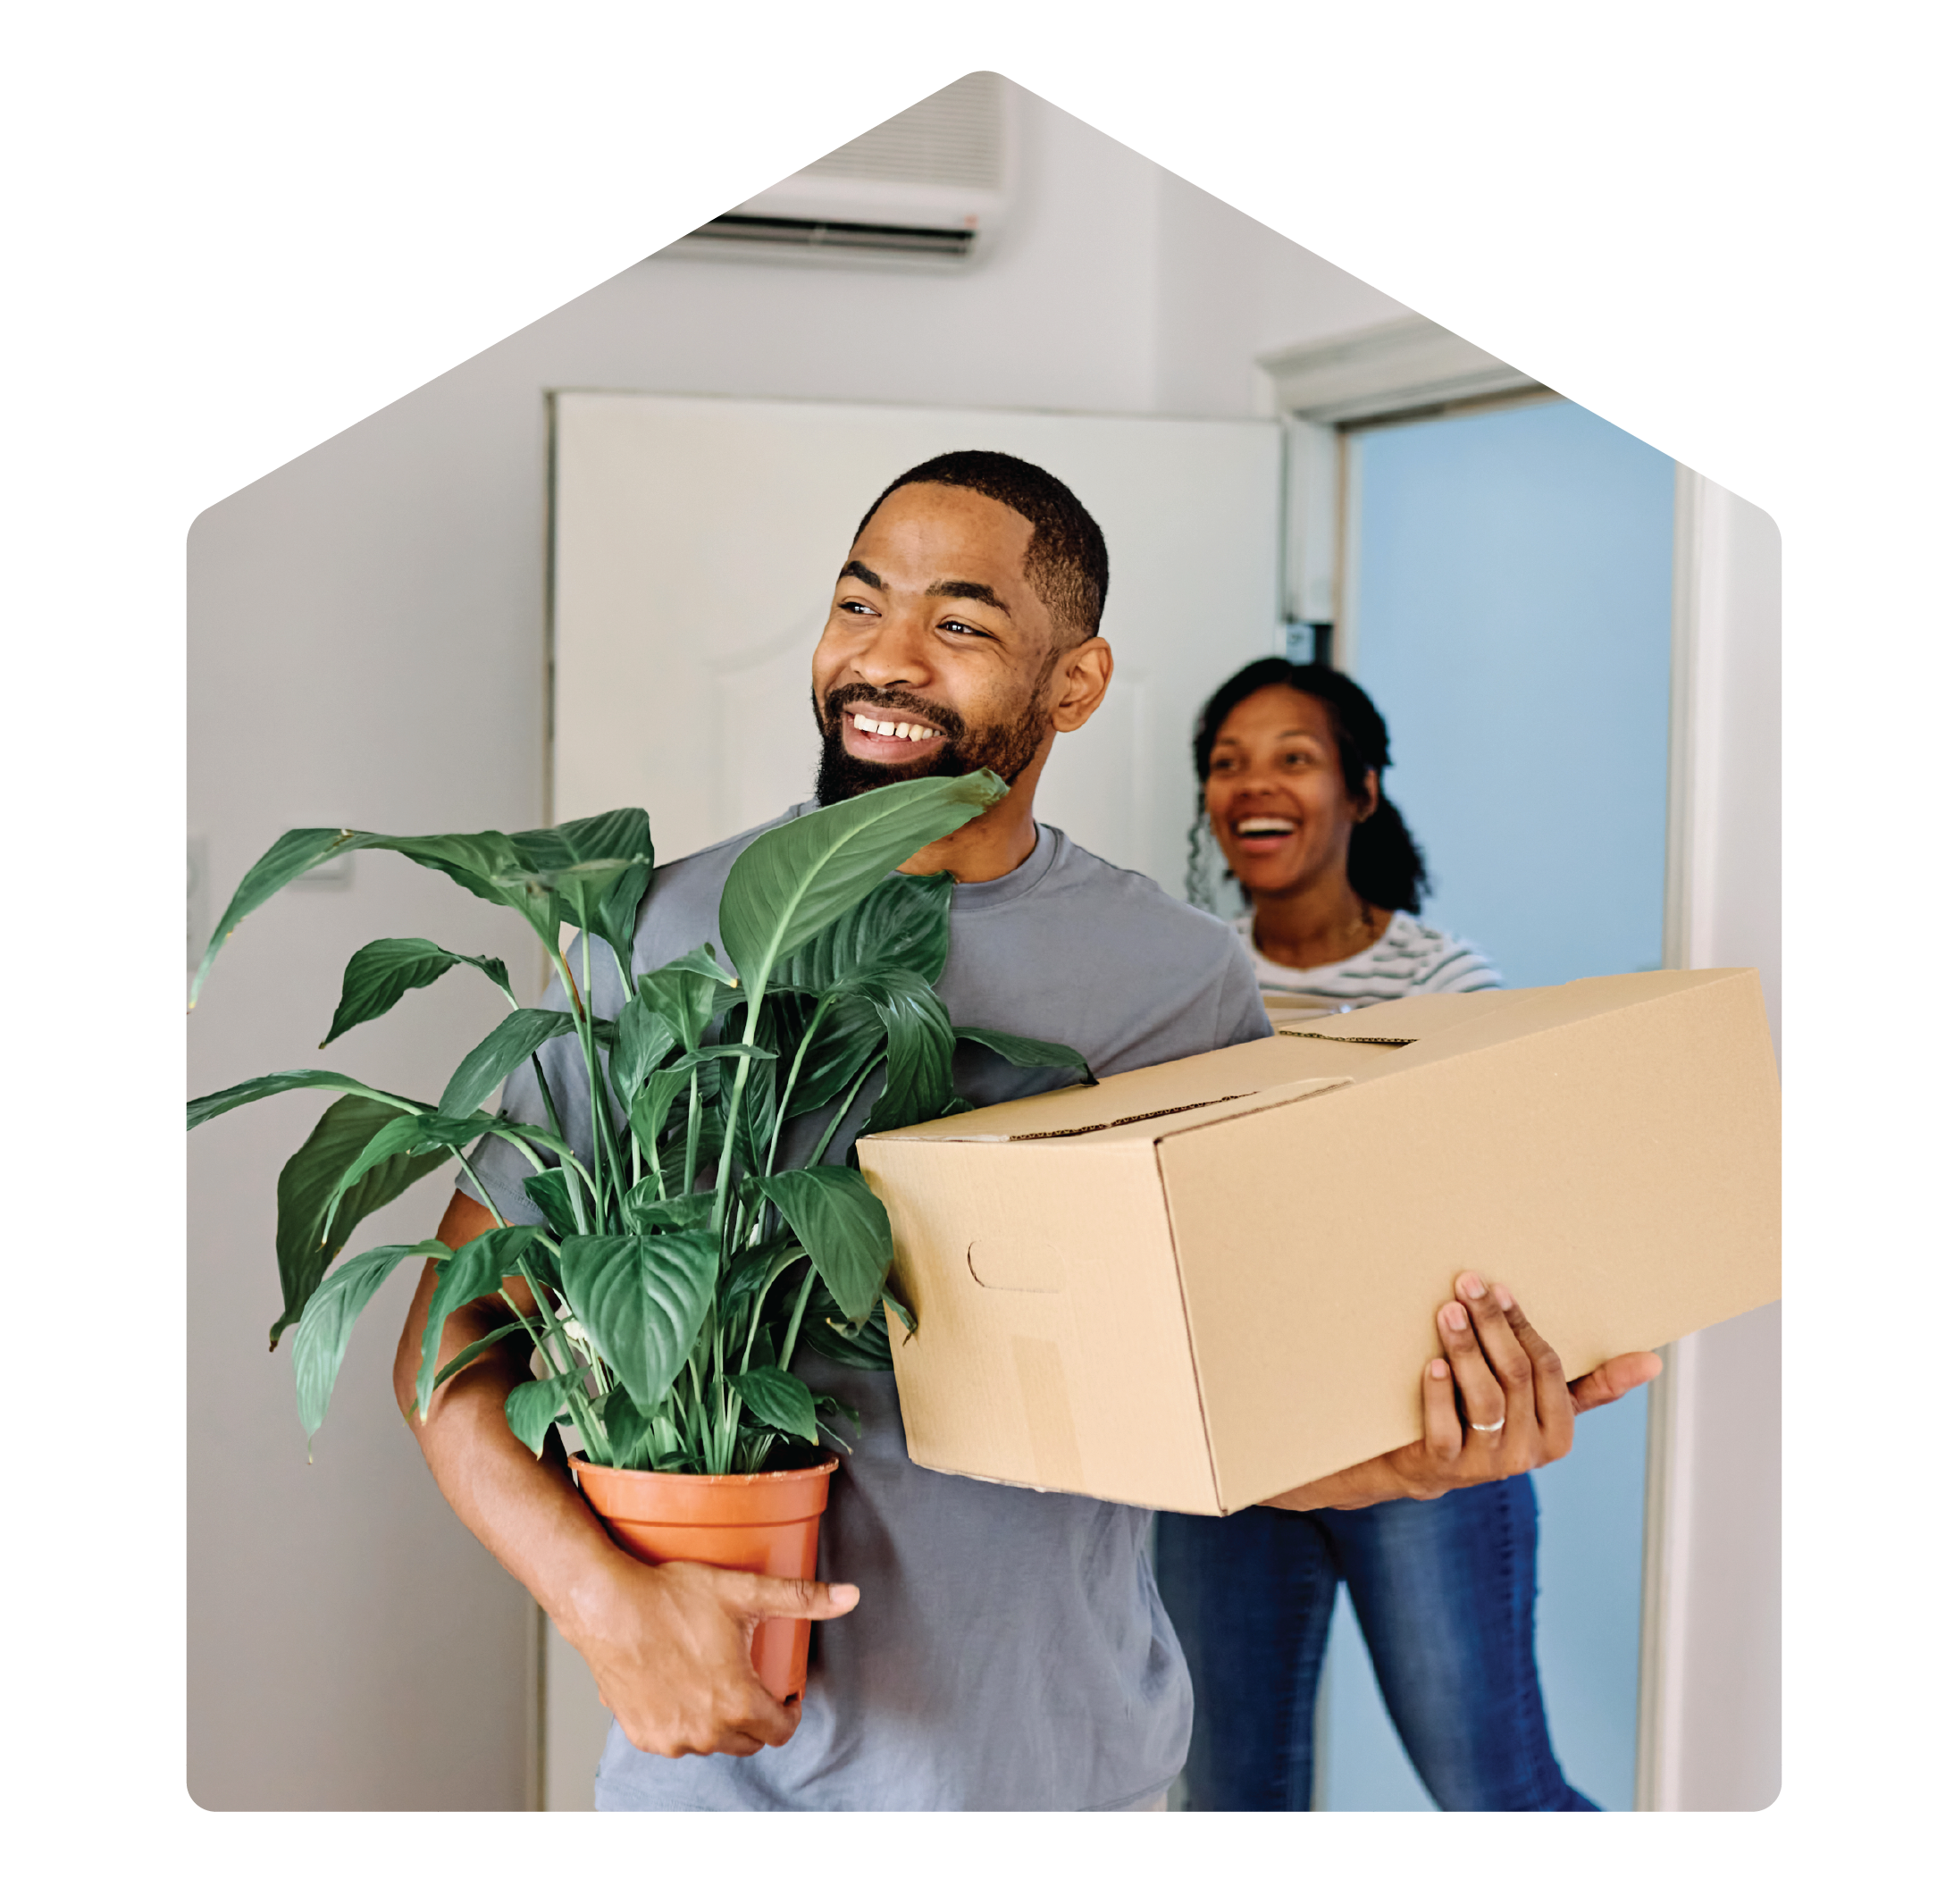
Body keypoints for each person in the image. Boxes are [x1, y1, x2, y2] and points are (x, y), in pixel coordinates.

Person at [391, 454, 1661, 1816]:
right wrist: (603, 1604)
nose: (884, 658)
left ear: (1076, 683)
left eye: (959, 622)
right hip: (712, 1776)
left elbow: (1216, 1406)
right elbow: (448, 1341)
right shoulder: (655, 935)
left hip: (1055, 1777)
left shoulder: (1173, 981)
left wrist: (1417, 1455)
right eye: (858, 604)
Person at [1157, 655, 1612, 1823]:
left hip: (1426, 1430)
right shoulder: (1185, 979)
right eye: (1228, 762)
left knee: (1494, 1790)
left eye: (1294, 757)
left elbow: (1504, 1200)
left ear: (1361, 791)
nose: (1254, 784)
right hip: (1238, 1438)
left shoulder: (1444, 977)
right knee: (1234, 1799)